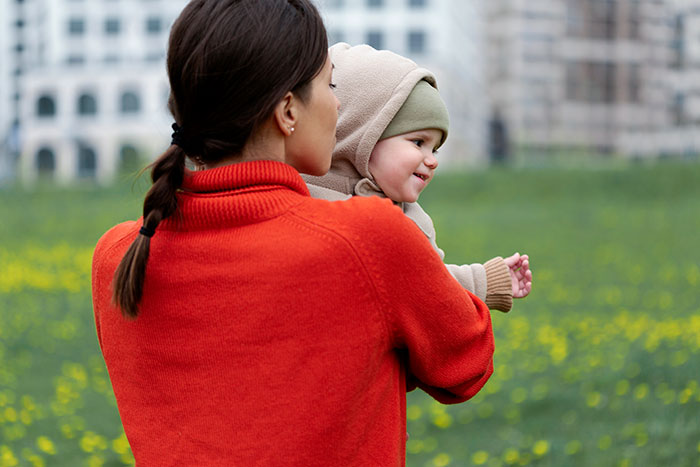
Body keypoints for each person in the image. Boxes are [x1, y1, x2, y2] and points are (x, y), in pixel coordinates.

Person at [91, 1, 495, 465]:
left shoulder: (118, 255)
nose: (338, 104)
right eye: (330, 84)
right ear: (287, 111)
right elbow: (466, 366)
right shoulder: (368, 239)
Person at [304, 43, 532, 312]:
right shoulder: (303, 192)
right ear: (364, 132)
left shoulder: (414, 221)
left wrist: (483, 281)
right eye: (418, 142)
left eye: (435, 148)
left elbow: (430, 286)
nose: (432, 159)